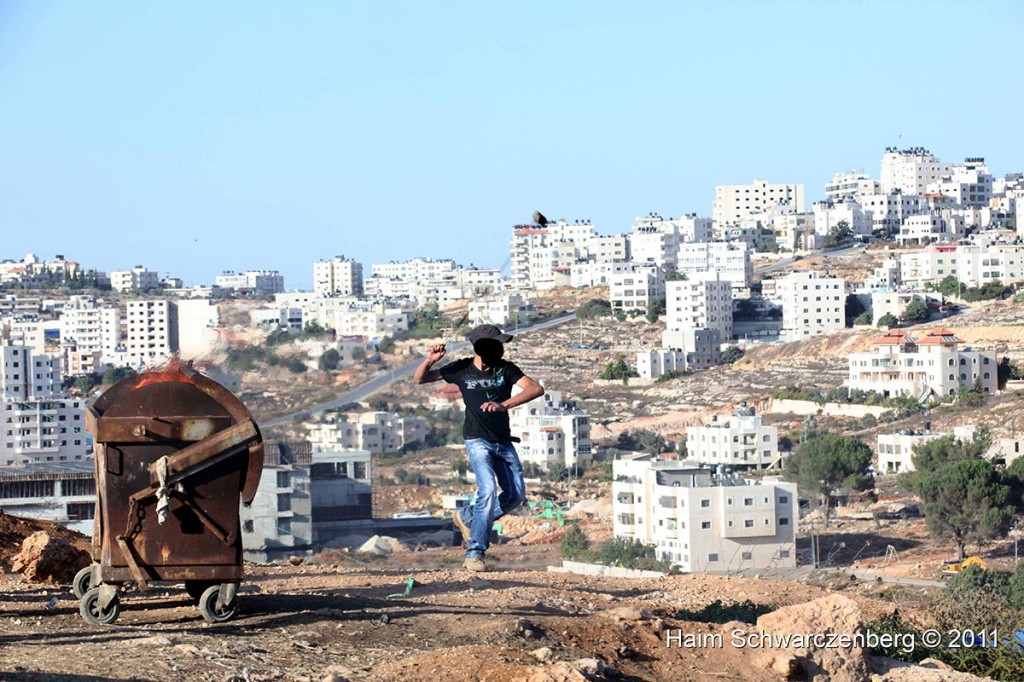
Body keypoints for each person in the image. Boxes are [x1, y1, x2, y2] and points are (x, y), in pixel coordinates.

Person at [413, 324, 544, 572]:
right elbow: (420, 379)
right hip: (477, 439)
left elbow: (536, 388)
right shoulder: (461, 368)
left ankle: (467, 517)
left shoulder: (506, 369)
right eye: (496, 345)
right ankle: (475, 553)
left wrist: (504, 404)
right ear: (481, 348)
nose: (500, 349)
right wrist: (429, 360)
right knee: (488, 491)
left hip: (503, 440)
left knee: (516, 495)